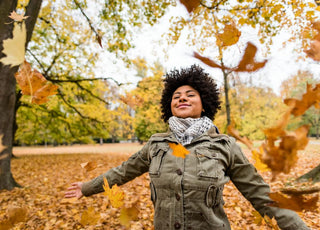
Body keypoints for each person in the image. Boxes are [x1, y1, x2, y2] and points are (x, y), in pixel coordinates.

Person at [65, 65, 310, 230]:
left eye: (190, 94)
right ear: (169, 105)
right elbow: (122, 172)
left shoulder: (225, 146)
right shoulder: (156, 144)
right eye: (176, 96)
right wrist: (87, 187)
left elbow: (262, 196)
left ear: (204, 104)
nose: (182, 97)